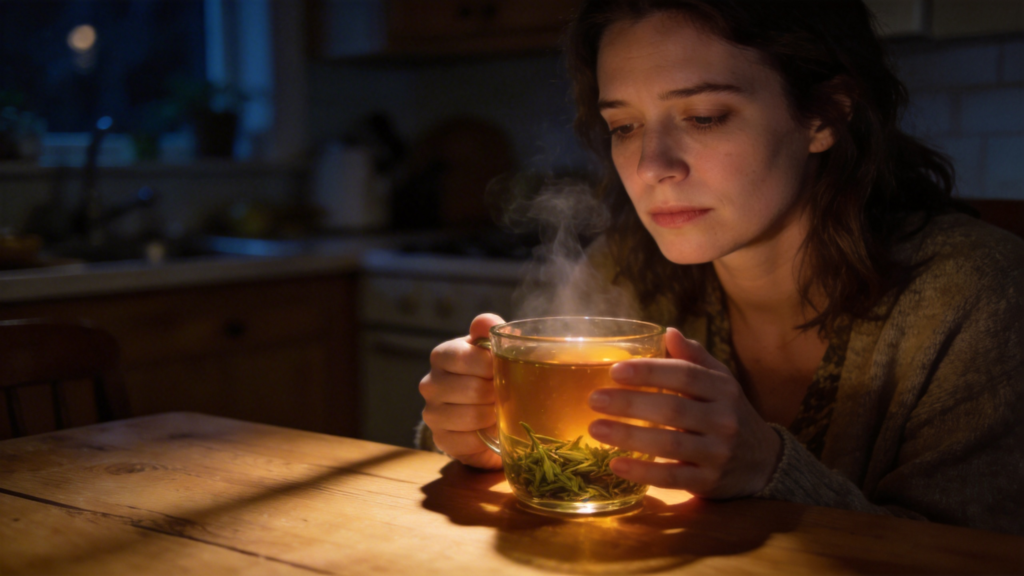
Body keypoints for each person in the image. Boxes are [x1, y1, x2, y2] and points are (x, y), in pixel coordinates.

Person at [417, 0, 1024, 535]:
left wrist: (767, 470)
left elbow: (980, 558)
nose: (653, 166)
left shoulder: (978, 298)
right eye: (624, 126)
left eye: (704, 116)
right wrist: (472, 431)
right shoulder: (628, 268)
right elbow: (544, 447)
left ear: (825, 115)